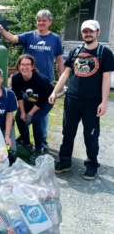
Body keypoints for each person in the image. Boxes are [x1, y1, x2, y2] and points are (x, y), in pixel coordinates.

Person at [49, 20, 114, 180]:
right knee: (68, 132)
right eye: (85, 31)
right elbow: (66, 73)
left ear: (98, 32)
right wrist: (54, 92)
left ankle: (91, 165)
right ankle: (65, 162)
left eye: (91, 31)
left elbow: (106, 79)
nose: (87, 34)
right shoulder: (75, 50)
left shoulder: (105, 53)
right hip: (72, 100)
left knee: (90, 135)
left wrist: (104, 102)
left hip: (92, 102)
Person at [0, 9, 64, 152]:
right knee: (26, 108)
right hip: (27, 82)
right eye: (39, 20)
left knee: (40, 115)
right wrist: (2, 31)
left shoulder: (55, 38)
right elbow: (14, 38)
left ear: (50, 22)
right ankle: (25, 137)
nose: (41, 23)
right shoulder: (29, 36)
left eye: (44, 20)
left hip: (44, 82)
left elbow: (59, 60)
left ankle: (43, 140)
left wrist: (61, 81)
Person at [11, 54, 54, 162]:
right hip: (31, 97)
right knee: (19, 118)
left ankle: (38, 150)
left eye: (28, 64)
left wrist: (29, 113)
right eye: (22, 64)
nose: (25, 67)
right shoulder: (16, 78)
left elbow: (42, 100)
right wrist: (22, 112)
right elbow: (19, 96)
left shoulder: (41, 79)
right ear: (18, 66)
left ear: (32, 66)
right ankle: (26, 143)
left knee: (35, 119)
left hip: (46, 100)